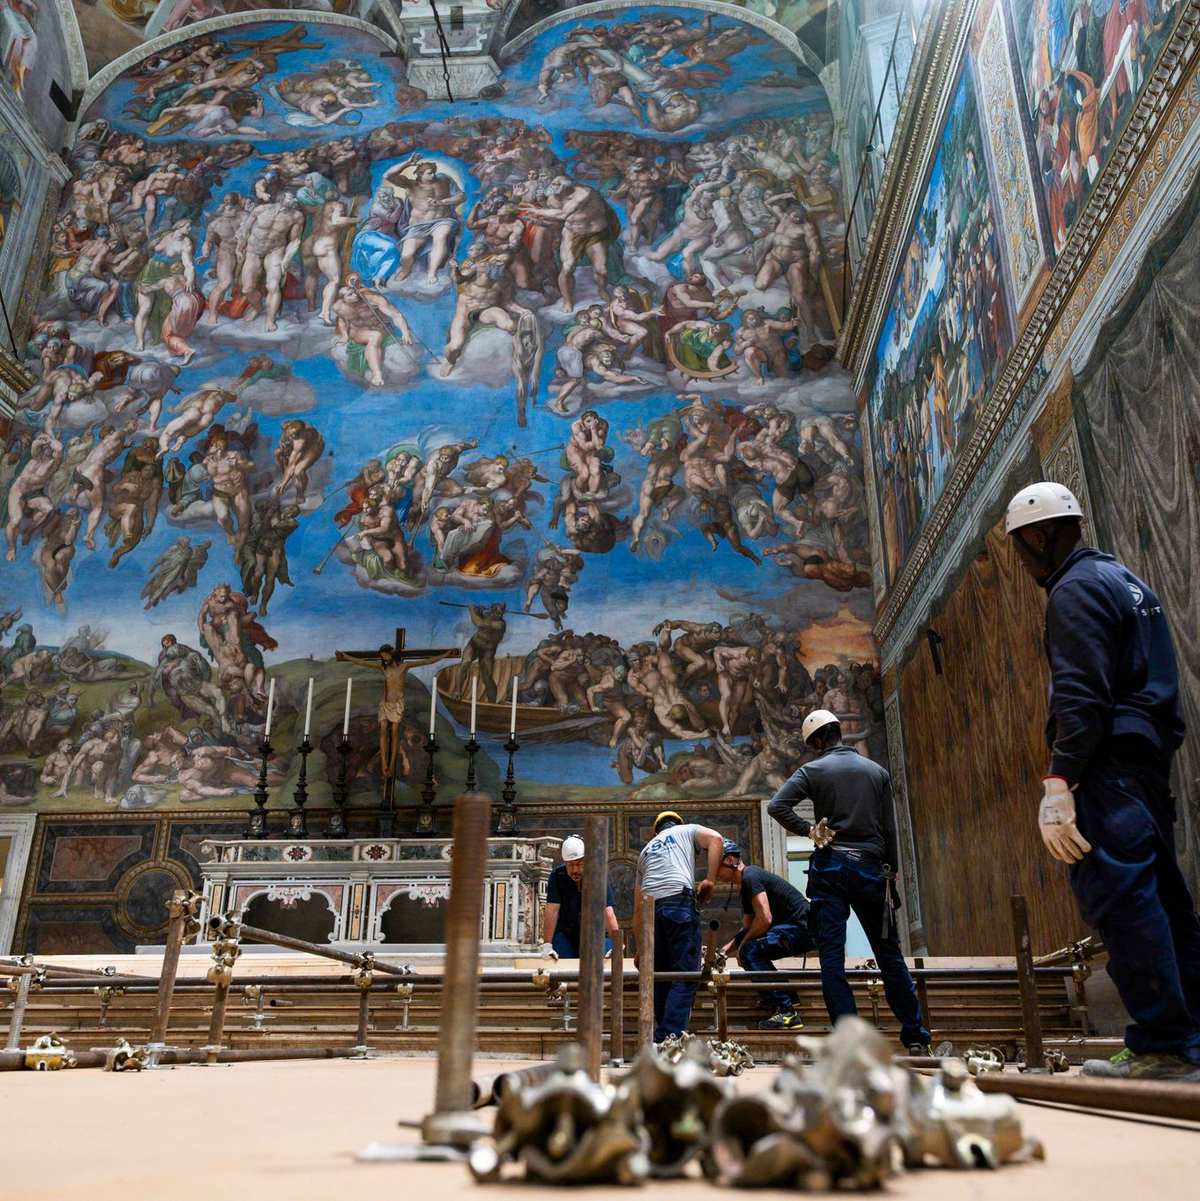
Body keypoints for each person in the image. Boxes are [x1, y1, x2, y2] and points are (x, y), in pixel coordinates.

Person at [1005, 481, 1200, 1081]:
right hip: (1143, 764)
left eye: (1019, 549)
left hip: (1106, 768)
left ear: (1039, 536)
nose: (1023, 561)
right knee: (1165, 902)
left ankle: (1164, 1043)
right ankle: (1187, 1039)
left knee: (1121, 899)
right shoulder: (1124, 580)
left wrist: (1060, 781)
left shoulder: (1075, 589)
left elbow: (1082, 694)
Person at [768, 709, 932, 1055]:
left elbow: (778, 806)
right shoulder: (878, 772)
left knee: (831, 958)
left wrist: (809, 830)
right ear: (839, 732)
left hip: (829, 869)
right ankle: (916, 1037)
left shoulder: (812, 770)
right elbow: (890, 829)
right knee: (889, 955)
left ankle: (849, 1044)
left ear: (815, 741)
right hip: (872, 869)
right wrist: (893, 874)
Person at [633, 810, 724, 1042]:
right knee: (685, 975)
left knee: (660, 977)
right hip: (678, 904)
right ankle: (667, 1037)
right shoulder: (687, 830)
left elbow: (636, 909)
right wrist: (710, 880)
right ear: (677, 823)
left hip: (649, 912)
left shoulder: (645, 852)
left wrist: (640, 947)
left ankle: (662, 1039)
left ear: (656, 830)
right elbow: (716, 840)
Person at [716, 839, 814, 1030]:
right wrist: (721, 953)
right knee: (749, 948)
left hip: (804, 929)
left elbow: (765, 918)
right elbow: (747, 930)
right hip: (796, 930)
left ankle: (786, 1012)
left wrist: (742, 947)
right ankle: (788, 995)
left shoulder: (750, 876)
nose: (714, 873)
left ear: (729, 860)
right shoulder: (745, 887)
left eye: (715, 866)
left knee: (749, 951)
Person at [539, 835, 618, 960]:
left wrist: (617, 944)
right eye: (570, 865)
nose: (575, 869)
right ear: (564, 862)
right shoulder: (557, 875)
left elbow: (607, 912)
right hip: (566, 933)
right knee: (559, 965)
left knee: (605, 963)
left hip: (595, 933)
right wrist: (547, 945)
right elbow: (552, 910)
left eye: (579, 864)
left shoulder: (598, 875)